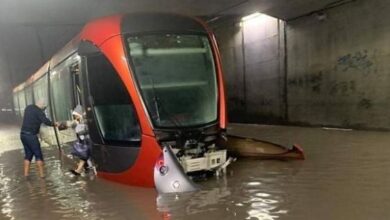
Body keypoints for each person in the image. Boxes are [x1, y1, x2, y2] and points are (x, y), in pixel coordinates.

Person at [20, 99, 58, 178]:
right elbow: (46, 121)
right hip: (31, 136)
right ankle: (42, 176)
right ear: (42, 106)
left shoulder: (28, 107)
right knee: (38, 155)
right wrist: (54, 124)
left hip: (23, 135)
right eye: (44, 107)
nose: (44, 109)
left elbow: (31, 119)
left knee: (28, 155)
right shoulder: (39, 112)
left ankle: (26, 175)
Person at [68, 105, 94, 176]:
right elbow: (72, 125)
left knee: (84, 156)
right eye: (74, 116)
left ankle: (80, 170)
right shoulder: (77, 122)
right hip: (84, 142)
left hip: (88, 141)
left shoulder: (86, 120)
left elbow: (89, 128)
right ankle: (81, 170)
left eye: (76, 115)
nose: (75, 117)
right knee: (84, 156)